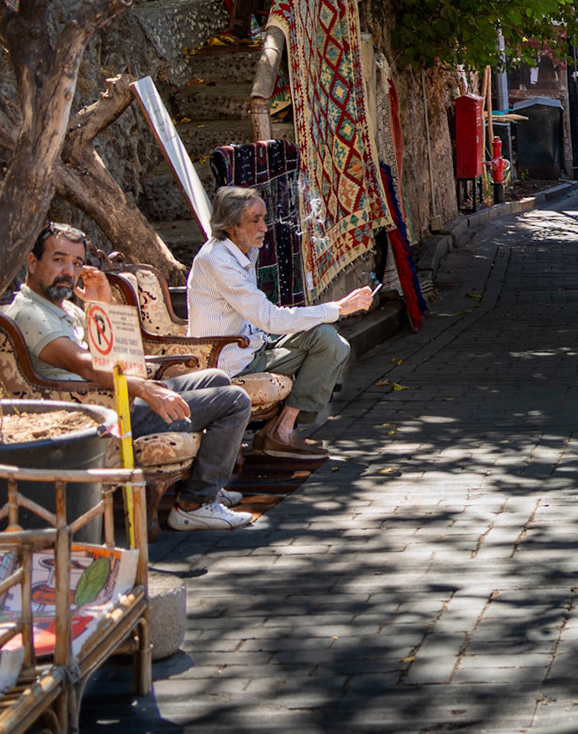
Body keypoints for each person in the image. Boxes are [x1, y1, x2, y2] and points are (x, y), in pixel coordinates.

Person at [3, 223, 257, 531]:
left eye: (76, 263)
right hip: (102, 410)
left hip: (116, 395)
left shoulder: (66, 309)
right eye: (58, 260)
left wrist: (101, 303)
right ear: (32, 262)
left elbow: (119, 356)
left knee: (215, 378)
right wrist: (147, 389)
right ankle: (196, 504)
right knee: (233, 400)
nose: (68, 271)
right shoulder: (32, 314)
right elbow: (85, 365)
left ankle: (207, 486)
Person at [187, 186, 374, 460]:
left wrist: (331, 312)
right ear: (230, 226)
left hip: (252, 343)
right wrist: (337, 308)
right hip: (229, 358)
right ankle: (277, 433)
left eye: (264, 217)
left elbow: (265, 320)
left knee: (329, 341)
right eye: (255, 220)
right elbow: (270, 318)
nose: (264, 226)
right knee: (330, 343)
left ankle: (282, 429)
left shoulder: (243, 250)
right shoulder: (218, 260)